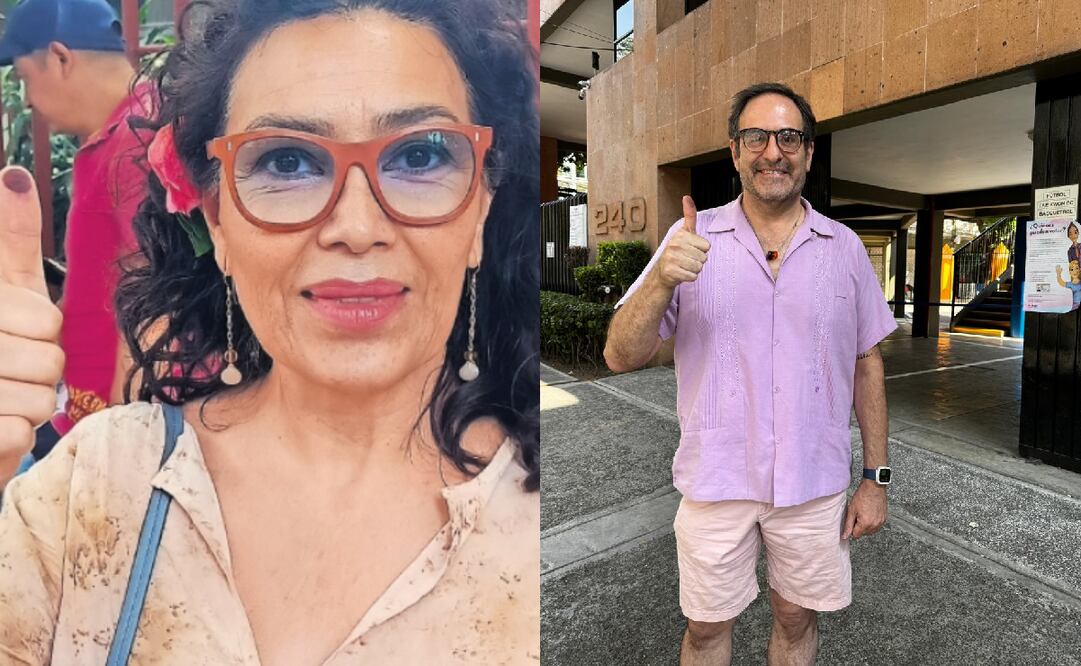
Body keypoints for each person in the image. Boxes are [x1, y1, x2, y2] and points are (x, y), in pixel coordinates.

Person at [0, 0, 539, 663]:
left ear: (482, 207)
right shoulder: (92, 488)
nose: (357, 227)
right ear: (216, 222)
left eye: (421, 154)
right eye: (286, 162)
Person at [604, 82, 896, 666]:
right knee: (706, 630)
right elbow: (619, 355)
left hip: (812, 484)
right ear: (735, 151)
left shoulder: (844, 248)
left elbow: (867, 362)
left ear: (808, 152)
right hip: (717, 481)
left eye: (788, 137)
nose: (772, 152)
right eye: (756, 136)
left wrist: (875, 478)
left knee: (796, 619)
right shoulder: (691, 238)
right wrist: (661, 279)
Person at [0, 0, 155, 464]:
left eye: (26, 78)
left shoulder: (138, 142)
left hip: (112, 431)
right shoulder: (121, 135)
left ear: (60, 58)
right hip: (88, 413)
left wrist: (122, 442)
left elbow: (149, 297)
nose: (28, 100)